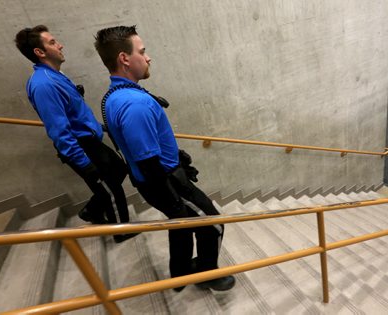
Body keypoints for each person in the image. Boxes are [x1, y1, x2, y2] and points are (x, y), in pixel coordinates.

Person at [93, 25, 235, 291]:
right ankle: (206, 275)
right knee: (212, 223)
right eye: (142, 52)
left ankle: (179, 275)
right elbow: (148, 162)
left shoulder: (115, 96)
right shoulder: (135, 105)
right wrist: (174, 198)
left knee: (180, 224)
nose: (148, 58)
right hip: (165, 180)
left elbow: (142, 145)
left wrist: (177, 156)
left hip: (156, 176)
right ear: (124, 58)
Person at [14, 25, 135, 243]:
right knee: (109, 187)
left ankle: (92, 211)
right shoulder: (44, 85)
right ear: (39, 52)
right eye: (52, 42)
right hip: (80, 146)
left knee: (118, 169)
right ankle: (122, 231)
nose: (59, 45)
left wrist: (99, 127)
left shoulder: (55, 76)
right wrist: (85, 165)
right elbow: (58, 130)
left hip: (89, 139)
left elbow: (74, 114)